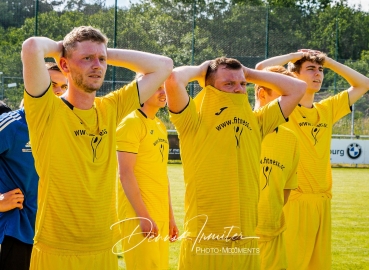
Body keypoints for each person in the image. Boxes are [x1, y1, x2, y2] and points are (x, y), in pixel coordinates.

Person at [21, 26, 173, 269]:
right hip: (57, 248)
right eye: (87, 59)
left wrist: (100, 51)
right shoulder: (46, 110)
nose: (97, 65)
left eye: (101, 60)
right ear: (64, 66)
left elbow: (164, 65)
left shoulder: (110, 108)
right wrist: (66, 49)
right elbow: (31, 47)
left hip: (104, 247)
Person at [164, 57, 306, 269]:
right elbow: (174, 79)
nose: (239, 90)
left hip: (246, 242)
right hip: (204, 241)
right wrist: (202, 70)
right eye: (228, 84)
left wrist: (247, 73)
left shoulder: (258, 121)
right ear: (210, 87)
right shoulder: (192, 120)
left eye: (242, 85)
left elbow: (298, 88)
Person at [256, 50, 369, 269]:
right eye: (310, 69)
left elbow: (363, 84)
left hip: (322, 202)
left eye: (320, 70)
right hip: (293, 201)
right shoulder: (283, 109)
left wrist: (328, 61)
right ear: (293, 74)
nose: (318, 74)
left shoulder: (326, 109)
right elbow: (261, 69)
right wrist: (294, 56)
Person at [0, 66, 68, 270]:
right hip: (17, 230)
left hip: (53, 232)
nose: (59, 91)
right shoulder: (12, 124)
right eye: (52, 85)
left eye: (64, 86)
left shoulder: (66, 127)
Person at [116, 77, 179, 269]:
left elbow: (162, 173)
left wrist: (170, 217)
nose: (163, 93)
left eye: (164, 88)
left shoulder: (159, 125)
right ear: (142, 91)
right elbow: (125, 174)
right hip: (139, 215)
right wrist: (144, 216)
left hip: (158, 213)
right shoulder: (130, 123)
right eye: (157, 88)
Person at [254, 65, 300, 270]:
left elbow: (286, 191)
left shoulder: (291, 140)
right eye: (284, 95)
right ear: (262, 93)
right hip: (237, 238)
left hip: (273, 236)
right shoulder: (236, 130)